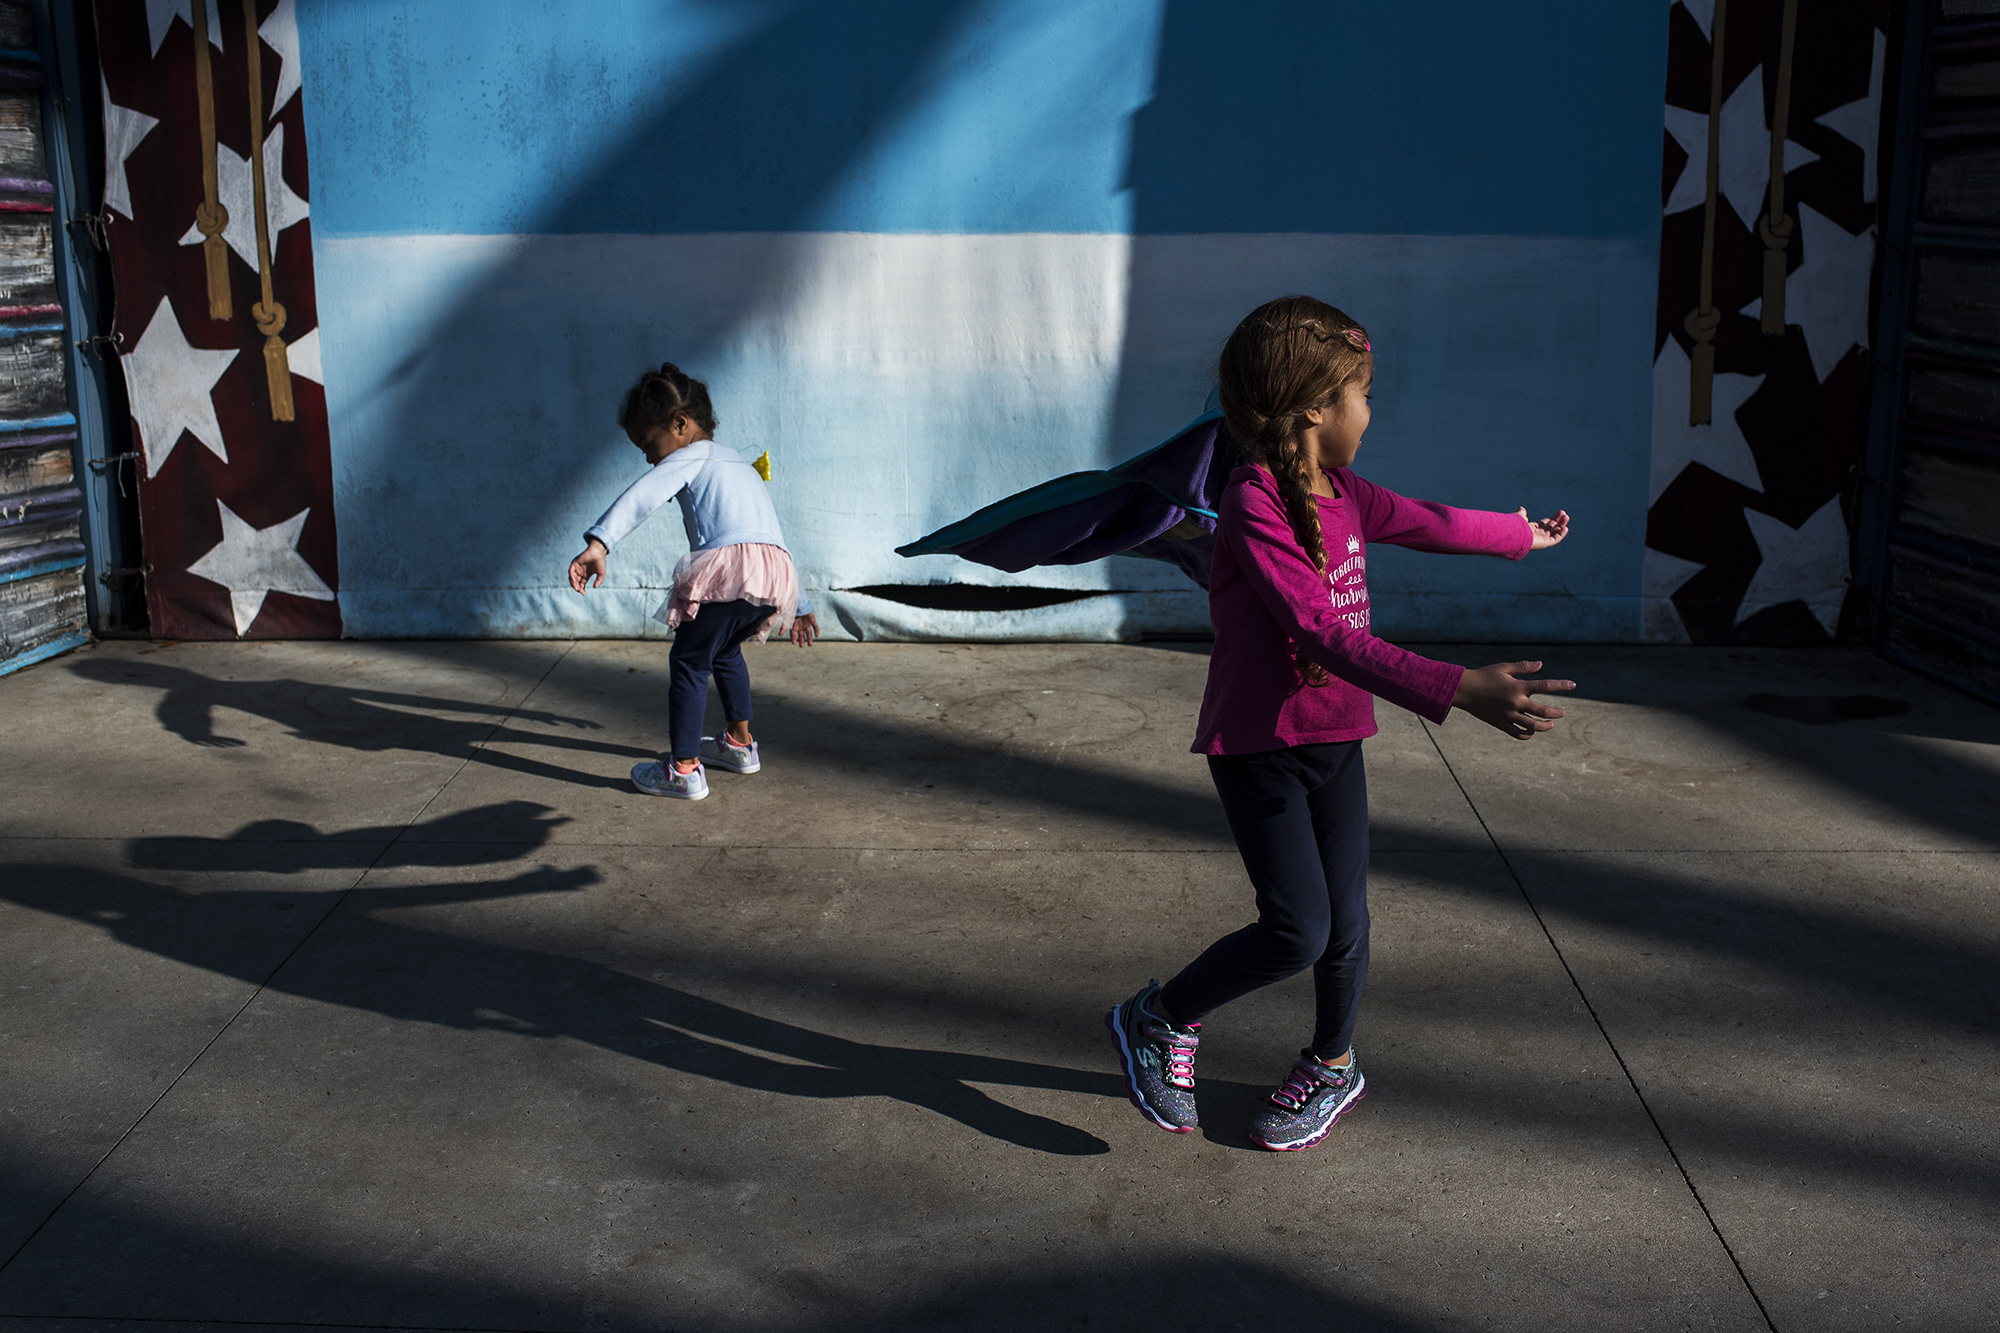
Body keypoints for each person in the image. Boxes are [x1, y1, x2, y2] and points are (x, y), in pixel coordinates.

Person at [1105, 296, 1574, 1151]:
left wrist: (1517, 535)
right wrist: (1457, 687)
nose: (1372, 409)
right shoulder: (1255, 503)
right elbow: (1320, 630)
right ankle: (1162, 1017)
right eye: (1362, 392)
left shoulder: (1345, 489)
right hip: (1259, 747)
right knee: (1297, 929)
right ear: (1317, 407)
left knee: (1345, 925)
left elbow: (1429, 521)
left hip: (1335, 736)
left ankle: (1333, 1062)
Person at [568, 362, 819, 800]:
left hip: (729, 567)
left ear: (680, 424)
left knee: (688, 660)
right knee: (723, 650)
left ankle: (682, 769)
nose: (648, 456)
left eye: (649, 443)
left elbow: (643, 495)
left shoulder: (693, 454)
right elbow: (769, 533)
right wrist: (799, 602)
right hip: (774, 574)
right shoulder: (739, 461)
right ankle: (739, 745)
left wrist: (599, 543)